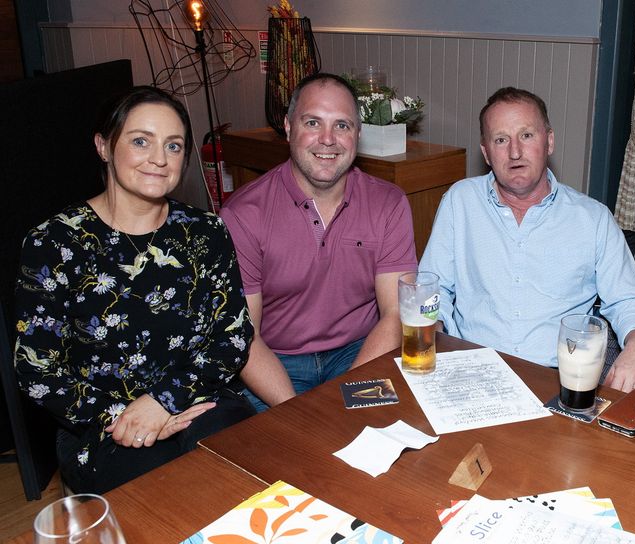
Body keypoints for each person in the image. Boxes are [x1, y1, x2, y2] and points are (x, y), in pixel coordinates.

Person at [14, 86, 255, 494]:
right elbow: (38, 369)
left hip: (201, 400)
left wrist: (162, 401)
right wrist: (123, 415)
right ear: (104, 146)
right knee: (166, 497)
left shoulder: (206, 232)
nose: (159, 159)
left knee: (250, 477)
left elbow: (231, 338)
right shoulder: (53, 242)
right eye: (141, 141)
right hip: (103, 425)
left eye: (173, 146)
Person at [419, 87, 635, 393]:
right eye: (500, 139)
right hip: (471, 371)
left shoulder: (593, 219)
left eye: (526, 135)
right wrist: (433, 332)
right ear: (486, 153)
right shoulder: (460, 202)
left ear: (549, 141)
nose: (514, 152)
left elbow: (630, 301)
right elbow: (432, 287)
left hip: (556, 381)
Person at [220, 73, 417, 412]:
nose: (328, 139)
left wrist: (349, 402)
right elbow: (246, 338)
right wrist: (300, 415)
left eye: (342, 125)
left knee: (394, 436)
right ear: (288, 127)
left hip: (358, 352)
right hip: (277, 362)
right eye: (313, 122)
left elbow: (397, 313)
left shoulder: (389, 203)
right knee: (288, 455)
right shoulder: (242, 214)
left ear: (358, 134)